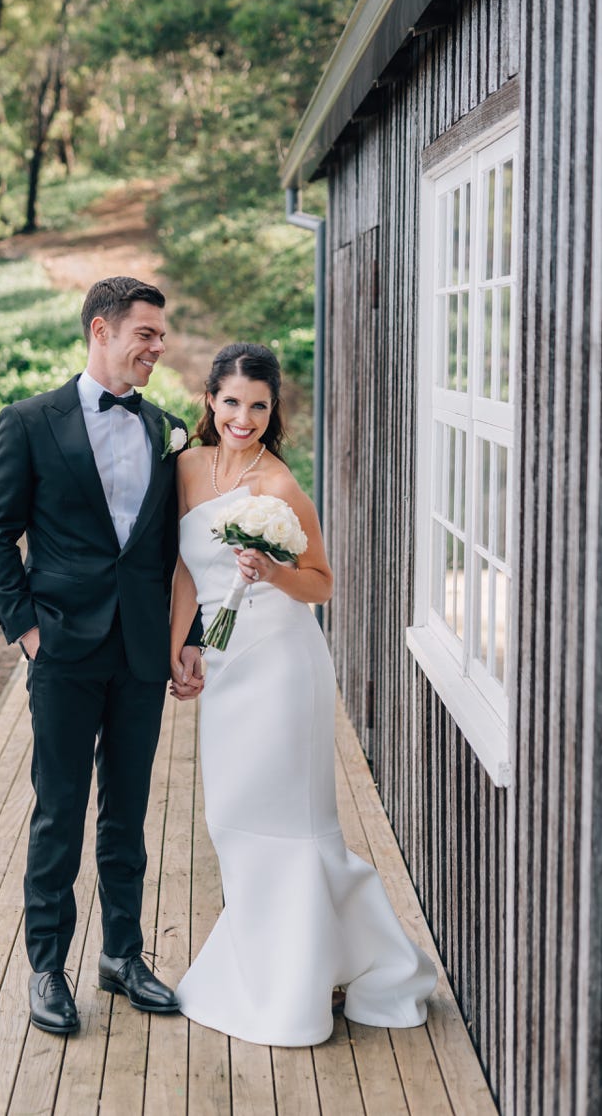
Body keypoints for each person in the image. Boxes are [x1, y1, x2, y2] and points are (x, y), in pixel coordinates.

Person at [169, 343, 437, 1046]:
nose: (244, 418)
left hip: (284, 665)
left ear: (271, 411)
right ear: (211, 401)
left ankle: (299, 983)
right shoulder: (188, 469)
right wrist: (182, 643)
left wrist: (271, 570)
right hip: (227, 668)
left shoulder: (280, 484)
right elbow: (186, 571)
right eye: (232, 402)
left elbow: (321, 582)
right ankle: (279, 962)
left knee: (290, 823)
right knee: (231, 816)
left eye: (258, 406)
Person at [0, 276, 204, 1036]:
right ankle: (47, 968)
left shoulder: (166, 429)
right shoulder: (29, 421)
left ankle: (122, 956)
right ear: (101, 331)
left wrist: (188, 641)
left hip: (141, 649)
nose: (157, 347)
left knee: (128, 812)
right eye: (146, 333)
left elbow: (179, 549)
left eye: (160, 336)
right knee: (59, 810)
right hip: (64, 648)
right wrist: (27, 630)